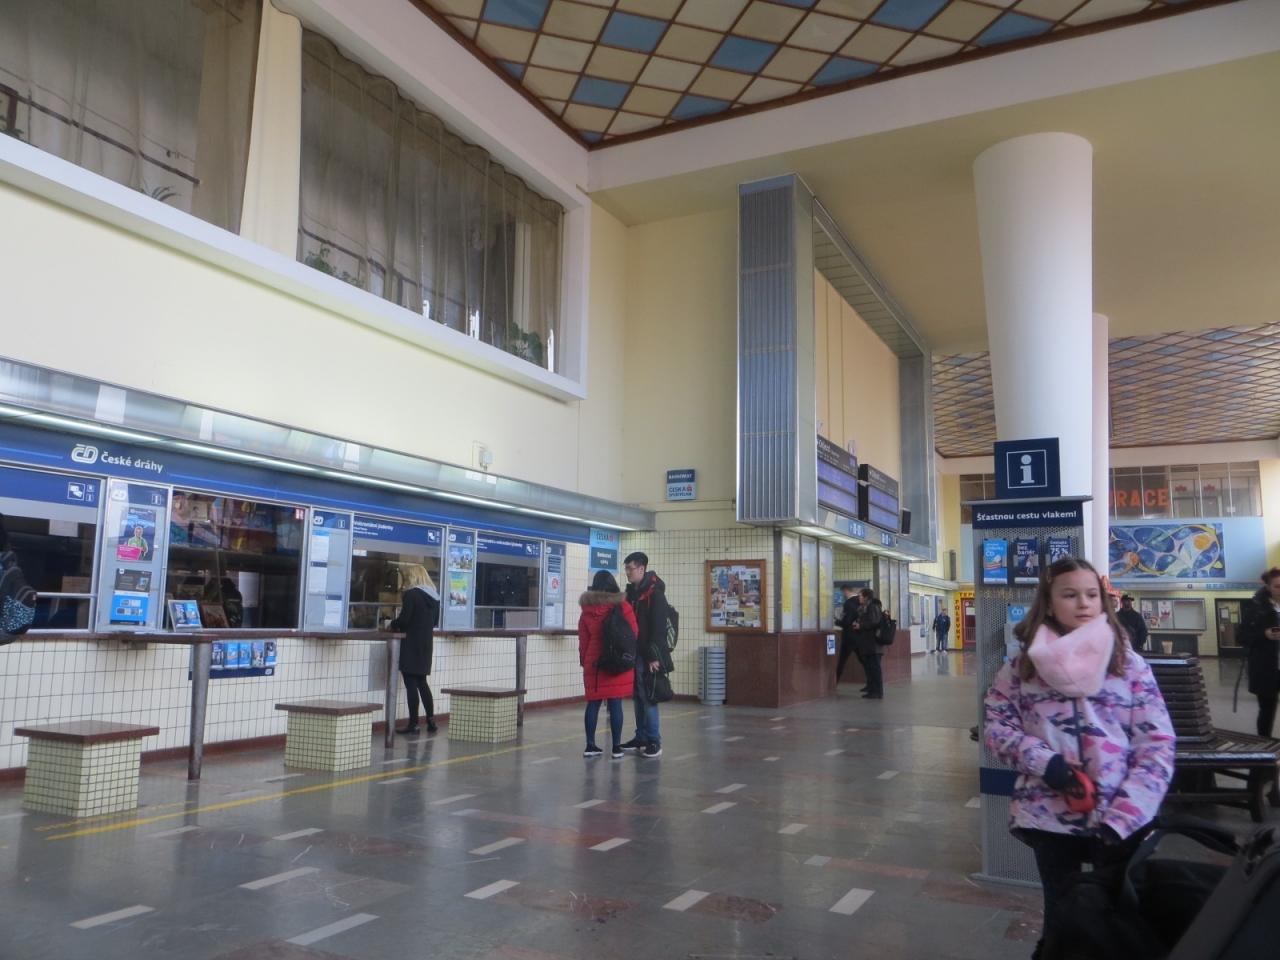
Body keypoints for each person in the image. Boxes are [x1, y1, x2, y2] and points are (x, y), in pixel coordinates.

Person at [983, 556, 1175, 960]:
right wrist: (1047, 764)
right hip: (1049, 814)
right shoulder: (1022, 668)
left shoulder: (1128, 665)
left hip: (1123, 818)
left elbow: (1157, 743)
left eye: (1092, 595)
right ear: (1049, 603)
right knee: (1062, 918)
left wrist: (1127, 815)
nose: (1084, 603)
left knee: (1122, 923)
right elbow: (997, 727)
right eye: (1070, 595)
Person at [577, 570, 637, 759]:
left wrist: (584, 661)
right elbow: (633, 633)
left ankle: (590, 745)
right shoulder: (623, 606)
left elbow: (583, 640)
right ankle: (616, 748)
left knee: (593, 704)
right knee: (615, 703)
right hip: (616, 660)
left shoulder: (587, 610)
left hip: (594, 663)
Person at [620, 551, 672, 758]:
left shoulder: (655, 594)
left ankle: (654, 741)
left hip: (648, 655)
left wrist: (653, 656)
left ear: (642, 569)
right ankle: (640, 737)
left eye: (630, 568)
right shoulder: (632, 593)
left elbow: (659, 628)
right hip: (634, 653)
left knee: (649, 696)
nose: (627, 572)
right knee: (637, 697)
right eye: (626, 569)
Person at [389, 566, 440, 735]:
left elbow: (404, 620)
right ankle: (431, 720)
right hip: (426, 644)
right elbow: (435, 622)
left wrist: (392, 624)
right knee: (422, 682)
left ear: (413, 577)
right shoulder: (434, 597)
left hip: (411, 644)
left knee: (411, 683)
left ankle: (414, 724)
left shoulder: (412, 595)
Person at [1239, 567, 1280, 740]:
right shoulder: (1256, 608)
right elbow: (1241, 636)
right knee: (1267, 709)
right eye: (1277, 586)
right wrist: (1264, 634)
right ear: (1268, 587)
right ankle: (1264, 743)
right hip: (1266, 668)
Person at [854, 588, 884, 699]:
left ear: (866, 597)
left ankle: (877, 692)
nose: (859, 598)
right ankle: (872, 690)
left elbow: (874, 622)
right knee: (871, 668)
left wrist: (860, 625)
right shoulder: (866, 607)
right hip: (869, 644)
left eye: (860, 596)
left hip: (873, 644)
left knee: (875, 668)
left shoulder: (873, 606)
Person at [835, 585, 861, 683]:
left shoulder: (849, 603)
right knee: (864, 660)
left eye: (842, 593)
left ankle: (835, 681)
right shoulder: (860, 601)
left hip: (849, 636)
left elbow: (847, 621)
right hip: (859, 635)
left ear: (845, 591)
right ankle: (872, 683)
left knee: (842, 660)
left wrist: (837, 622)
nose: (842, 595)